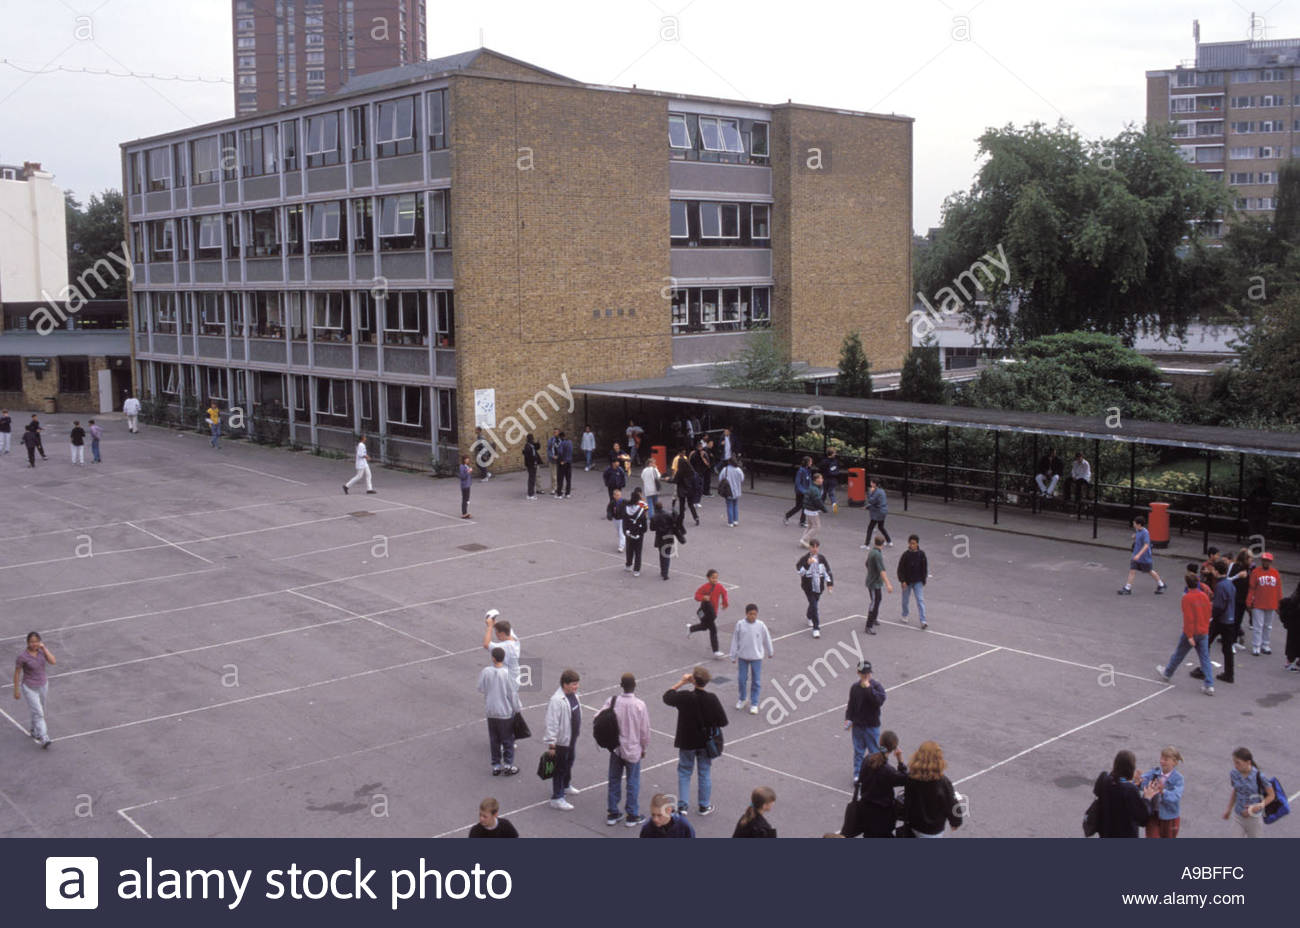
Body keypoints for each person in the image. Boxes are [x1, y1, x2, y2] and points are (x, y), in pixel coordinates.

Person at [663, 667, 728, 817]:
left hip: (687, 741)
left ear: (693, 680)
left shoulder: (685, 697)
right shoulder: (712, 698)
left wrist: (681, 682)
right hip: (705, 742)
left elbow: (667, 696)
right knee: (704, 772)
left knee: (685, 772)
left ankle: (683, 805)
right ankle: (704, 805)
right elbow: (723, 721)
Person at [1155, 573, 1216, 694]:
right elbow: (1209, 613)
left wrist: (1189, 636)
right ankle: (1209, 685)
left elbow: (1188, 619)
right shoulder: (1204, 596)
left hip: (1192, 632)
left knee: (1179, 653)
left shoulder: (1187, 598)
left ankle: (1167, 673)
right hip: (1203, 631)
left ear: (1187, 584)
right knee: (1205, 658)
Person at [841, 731, 908, 838]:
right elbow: (905, 778)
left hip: (866, 810)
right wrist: (900, 761)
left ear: (880, 743)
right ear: (894, 748)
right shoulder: (889, 771)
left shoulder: (868, 760)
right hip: (883, 815)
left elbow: (861, 778)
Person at [605, 672, 651, 827]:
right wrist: (643, 747)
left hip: (616, 747)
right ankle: (632, 814)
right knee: (633, 781)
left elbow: (599, 718)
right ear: (634, 685)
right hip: (633, 748)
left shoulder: (612, 701)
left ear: (621, 685)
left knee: (614, 779)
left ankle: (613, 812)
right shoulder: (639, 705)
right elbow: (644, 731)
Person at [902, 741, 963, 837]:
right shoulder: (943, 782)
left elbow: (908, 800)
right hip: (933, 830)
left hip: (914, 825)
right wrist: (956, 822)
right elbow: (951, 804)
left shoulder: (912, 778)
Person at [477, 646, 522, 776]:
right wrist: (517, 709)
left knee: (494, 739)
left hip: (491, 711)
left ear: (493, 658)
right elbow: (512, 694)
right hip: (505, 712)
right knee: (508, 740)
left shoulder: (486, 671)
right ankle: (508, 765)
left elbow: (480, 688)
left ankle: (496, 766)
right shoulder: (507, 674)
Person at [1192, 559, 1236, 684]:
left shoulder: (1220, 586)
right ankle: (1229, 674)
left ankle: (1203, 670)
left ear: (1216, 572)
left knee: (1205, 643)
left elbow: (1219, 607)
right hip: (1230, 620)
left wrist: (1210, 618)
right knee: (1227, 648)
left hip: (1220, 620)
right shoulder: (1230, 584)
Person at [544, 669, 582, 810]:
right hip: (561, 742)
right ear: (565, 684)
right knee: (559, 769)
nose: (576, 686)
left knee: (569, 762)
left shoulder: (573, 696)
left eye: (577, 684)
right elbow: (552, 723)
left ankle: (566, 785)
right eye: (573, 684)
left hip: (571, 739)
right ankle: (557, 798)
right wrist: (551, 744)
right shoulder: (556, 700)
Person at [844, 660, 887, 780]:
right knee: (858, 752)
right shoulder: (855, 688)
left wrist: (869, 689)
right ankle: (858, 774)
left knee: (874, 752)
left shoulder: (877, 687)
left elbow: (878, 701)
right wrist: (848, 718)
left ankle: (875, 774)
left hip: (872, 726)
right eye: (863, 674)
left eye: (867, 674)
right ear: (858, 673)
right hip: (858, 726)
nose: (866, 676)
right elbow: (851, 705)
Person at [728, 603, 774, 715]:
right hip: (743, 657)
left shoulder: (761, 625)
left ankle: (754, 703)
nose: (752, 616)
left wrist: (770, 651)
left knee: (756, 681)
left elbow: (766, 638)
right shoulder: (740, 625)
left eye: (754, 614)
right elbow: (735, 640)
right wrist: (733, 655)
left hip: (756, 657)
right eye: (750, 614)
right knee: (741, 679)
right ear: (746, 614)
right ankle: (743, 698)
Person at [1091, 750, 1148, 838]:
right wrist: (1147, 798)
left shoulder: (1104, 779)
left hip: (1106, 831)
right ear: (1131, 768)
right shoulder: (1130, 789)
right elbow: (1142, 818)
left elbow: (1102, 790)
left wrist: (1131, 782)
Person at [13, 631, 55, 748]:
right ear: (27, 643)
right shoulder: (22, 657)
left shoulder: (42, 652)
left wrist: (44, 648)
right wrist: (16, 690)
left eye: (36, 641)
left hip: (43, 685)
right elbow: (17, 673)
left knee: (38, 709)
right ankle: (44, 737)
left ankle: (33, 729)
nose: (34, 644)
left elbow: (53, 661)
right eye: (32, 642)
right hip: (29, 687)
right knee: (39, 713)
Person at [1223, 746, 1275, 838]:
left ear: (1248, 762)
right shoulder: (1234, 774)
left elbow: (1271, 795)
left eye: (1238, 763)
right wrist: (1229, 809)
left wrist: (1257, 806)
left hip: (1254, 819)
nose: (1235, 766)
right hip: (1238, 817)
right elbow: (1236, 791)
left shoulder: (1259, 776)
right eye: (1234, 762)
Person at [1136, 747, 1185, 839]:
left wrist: (1163, 792)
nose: (1162, 761)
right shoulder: (1154, 773)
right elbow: (1144, 782)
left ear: (1174, 762)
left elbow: (1176, 796)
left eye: (1166, 759)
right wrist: (1139, 781)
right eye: (1161, 758)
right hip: (1153, 815)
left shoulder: (1178, 779)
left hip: (1169, 817)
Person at [1117, 516, 1166, 595]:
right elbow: (1138, 535)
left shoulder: (1145, 533)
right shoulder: (1138, 530)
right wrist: (1135, 536)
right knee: (1132, 570)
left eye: (1134, 523)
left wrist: (1139, 555)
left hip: (1144, 557)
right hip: (1135, 555)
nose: (1133, 524)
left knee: (1149, 571)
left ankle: (1161, 584)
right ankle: (1127, 588)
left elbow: (1146, 545)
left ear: (1139, 524)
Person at [796, 540, 834, 639]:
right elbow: (800, 572)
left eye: (817, 547)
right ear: (810, 547)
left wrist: (829, 583)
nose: (815, 549)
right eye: (813, 547)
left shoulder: (822, 558)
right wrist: (807, 564)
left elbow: (827, 571)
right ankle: (816, 628)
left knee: (814, 604)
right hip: (808, 587)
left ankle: (809, 616)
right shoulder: (804, 559)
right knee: (814, 606)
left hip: (819, 587)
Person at [1246, 551, 1281, 656]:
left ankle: (1265, 645)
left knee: (1268, 626)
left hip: (1271, 603)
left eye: (1268, 561)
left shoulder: (1275, 573)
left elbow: (1278, 589)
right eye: (1264, 560)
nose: (1266, 562)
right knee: (1258, 626)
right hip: (1258, 603)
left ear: (1271, 562)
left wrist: (1279, 603)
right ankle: (1256, 646)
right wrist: (1249, 601)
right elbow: (1251, 588)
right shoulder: (1256, 572)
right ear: (1262, 561)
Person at [690, 569, 729, 658]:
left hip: (713, 612)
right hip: (706, 612)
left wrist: (724, 603)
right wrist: (703, 597)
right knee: (713, 630)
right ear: (708, 578)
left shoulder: (719, 587)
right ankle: (716, 650)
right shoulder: (705, 587)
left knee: (704, 627)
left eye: (716, 578)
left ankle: (690, 629)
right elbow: (696, 595)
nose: (715, 580)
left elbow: (724, 593)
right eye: (713, 578)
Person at [896, 534, 929, 630]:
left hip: (918, 581)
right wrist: (902, 581)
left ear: (917, 544)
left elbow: (924, 568)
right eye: (910, 543)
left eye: (913, 543)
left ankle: (923, 620)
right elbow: (900, 569)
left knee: (920, 600)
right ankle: (905, 614)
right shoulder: (905, 555)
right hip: (907, 581)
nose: (911, 545)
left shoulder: (921, 554)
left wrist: (923, 580)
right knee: (905, 600)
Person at [863, 534, 894, 635]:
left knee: (878, 599)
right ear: (883, 543)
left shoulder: (872, 551)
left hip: (875, 581)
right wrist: (888, 584)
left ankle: (874, 618)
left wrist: (871, 571)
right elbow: (882, 571)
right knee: (874, 602)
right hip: (874, 583)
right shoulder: (877, 555)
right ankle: (869, 625)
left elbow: (866, 564)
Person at [482, 611, 521, 688]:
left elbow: (486, 644)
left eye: (496, 633)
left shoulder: (505, 647)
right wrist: (492, 621)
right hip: (513, 678)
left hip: (507, 682)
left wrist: (489, 627)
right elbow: (503, 627)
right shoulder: (514, 639)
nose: (496, 635)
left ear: (502, 633)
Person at [653, 499, 687, 580]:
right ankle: (665, 572)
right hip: (668, 537)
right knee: (666, 555)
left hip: (660, 537)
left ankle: (663, 571)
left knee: (661, 554)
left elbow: (652, 528)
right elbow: (674, 523)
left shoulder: (654, 517)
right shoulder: (668, 515)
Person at [622, 488, 648, 576]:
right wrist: (643, 531)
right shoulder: (641, 510)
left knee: (629, 549)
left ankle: (628, 565)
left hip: (628, 531)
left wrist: (625, 530)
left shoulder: (626, 508)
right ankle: (636, 569)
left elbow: (624, 520)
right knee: (638, 551)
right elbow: (644, 523)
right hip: (638, 532)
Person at [783, 456, 813, 527]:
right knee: (798, 507)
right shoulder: (801, 471)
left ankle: (802, 522)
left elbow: (809, 481)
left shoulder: (808, 470)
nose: (812, 463)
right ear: (807, 462)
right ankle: (787, 516)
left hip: (806, 492)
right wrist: (804, 491)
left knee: (805, 506)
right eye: (811, 461)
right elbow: (798, 483)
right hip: (800, 492)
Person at [799, 473, 827, 548]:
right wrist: (824, 509)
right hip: (812, 511)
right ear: (817, 480)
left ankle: (803, 541)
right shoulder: (815, 489)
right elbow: (817, 501)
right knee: (816, 527)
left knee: (810, 526)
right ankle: (804, 539)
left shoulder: (813, 487)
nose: (822, 480)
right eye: (821, 478)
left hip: (808, 510)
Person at [672, 448, 699, 526]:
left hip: (682, 490)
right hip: (690, 490)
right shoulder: (690, 471)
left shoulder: (680, 472)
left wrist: (666, 479)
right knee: (691, 504)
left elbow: (675, 480)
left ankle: (681, 520)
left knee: (681, 506)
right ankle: (696, 518)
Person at [864, 478, 892, 546]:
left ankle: (866, 545)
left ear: (874, 484)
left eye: (871, 482)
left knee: (870, 528)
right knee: (881, 527)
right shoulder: (882, 491)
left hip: (878, 513)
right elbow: (878, 502)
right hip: (883, 511)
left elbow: (871, 501)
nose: (870, 484)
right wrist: (868, 507)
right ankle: (889, 541)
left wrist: (870, 492)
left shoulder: (876, 492)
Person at [1244, 479, 1272, 545]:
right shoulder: (1255, 492)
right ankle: (1254, 542)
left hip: (1262, 514)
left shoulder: (1266, 493)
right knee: (1254, 529)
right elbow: (1249, 500)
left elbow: (1269, 501)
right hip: (1255, 514)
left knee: (1260, 530)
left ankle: (1259, 543)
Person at [717, 456, 744, 527]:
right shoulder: (738, 470)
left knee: (729, 506)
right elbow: (742, 479)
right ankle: (736, 521)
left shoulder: (725, 469)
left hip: (728, 491)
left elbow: (720, 478)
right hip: (737, 491)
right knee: (735, 505)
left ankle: (730, 522)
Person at [818, 448, 842, 513]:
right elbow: (838, 469)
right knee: (831, 493)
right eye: (834, 453)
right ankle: (834, 503)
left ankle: (821, 507)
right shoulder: (836, 461)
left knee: (823, 493)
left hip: (825, 479)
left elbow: (820, 468)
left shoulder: (824, 461)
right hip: (833, 479)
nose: (835, 454)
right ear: (832, 454)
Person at [608, 487, 627, 553]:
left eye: (619, 495)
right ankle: (627, 538)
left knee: (621, 533)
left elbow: (628, 507)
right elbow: (609, 509)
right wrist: (609, 515)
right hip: (615, 519)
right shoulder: (612, 502)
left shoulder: (624, 502)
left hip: (622, 519)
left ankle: (621, 547)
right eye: (617, 495)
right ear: (614, 496)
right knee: (619, 532)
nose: (618, 496)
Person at [522, 433, 542, 499]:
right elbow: (528, 457)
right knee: (531, 479)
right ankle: (530, 494)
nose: (533, 440)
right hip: (531, 466)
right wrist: (533, 464)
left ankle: (531, 493)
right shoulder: (528, 446)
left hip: (533, 465)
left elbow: (537, 447)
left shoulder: (531, 445)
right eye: (532, 439)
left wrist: (538, 442)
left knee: (532, 479)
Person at [554, 431, 573, 498]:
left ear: (561, 437)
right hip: (569, 462)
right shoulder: (570, 443)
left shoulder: (562, 443)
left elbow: (560, 452)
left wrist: (560, 460)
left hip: (563, 463)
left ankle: (559, 494)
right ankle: (568, 493)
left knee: (560, 479)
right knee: (568, 479)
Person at [546, 428, 561, 494]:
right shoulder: (551, 440)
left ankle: (559, 487)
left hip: (560, 459)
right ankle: (553, 488)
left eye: (556, 432)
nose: (555, 433)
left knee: (560, 474)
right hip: (552, 459)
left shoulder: (561, 440)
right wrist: (552, 456)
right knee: (553, 475)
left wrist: (560, 456)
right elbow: (548, 449)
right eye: (554, 432)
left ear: (559, 433)